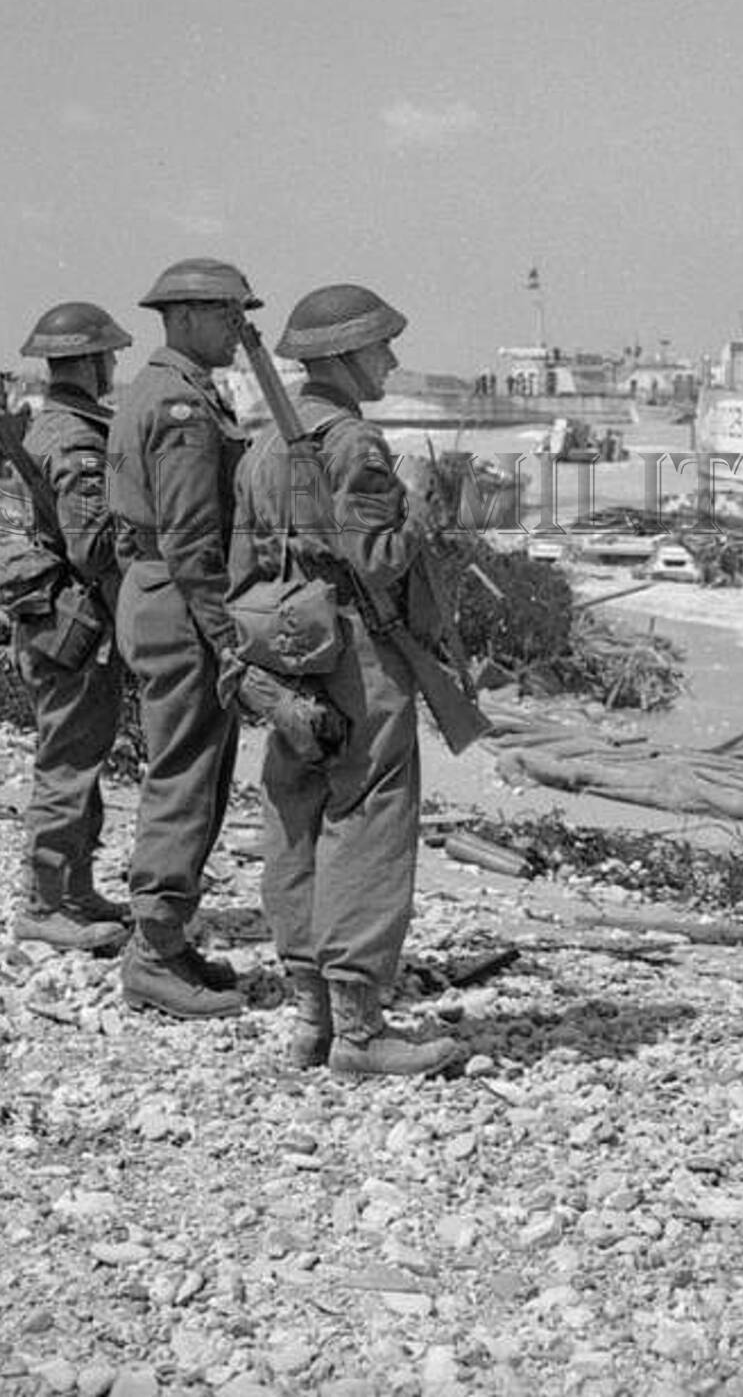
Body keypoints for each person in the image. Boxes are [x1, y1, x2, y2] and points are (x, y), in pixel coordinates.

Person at [229, 284, 460, 1077]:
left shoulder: (262, 446)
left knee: (296, 822)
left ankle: (309, 1021)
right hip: (361, 659)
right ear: (344, 354)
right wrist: (427, 504)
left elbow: (241, 576)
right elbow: (381, 558)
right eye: (380, 345)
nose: (391, 357)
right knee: (367, 822)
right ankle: (360, 1032)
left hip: (290, 653)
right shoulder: (354, 441)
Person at [106, 257, 259, 1020]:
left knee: (191, 767)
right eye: (231, 314)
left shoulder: (168, 389)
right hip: (183, 601)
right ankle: (154, 951)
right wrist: (228, 635)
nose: (241, 330)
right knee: (186, 776)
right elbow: (195, 538)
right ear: (190, 314)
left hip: (161, 593)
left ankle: (168, 941)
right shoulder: (182, 407)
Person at [10, 301, 134, 954]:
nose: (115, 365)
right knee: (67, 765)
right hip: (74, 627)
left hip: (52, 621)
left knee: (79, 760)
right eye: (108, 355)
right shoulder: (79, 439)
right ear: (87, 361)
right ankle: (44, 902)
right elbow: (93, 547)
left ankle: (75, 889)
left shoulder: (44, 428)